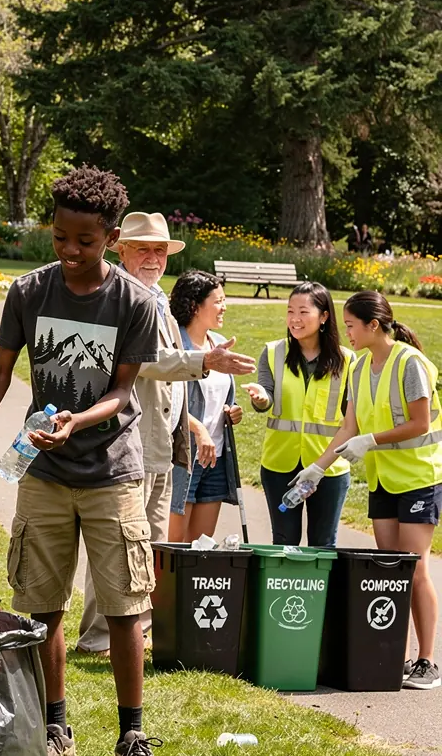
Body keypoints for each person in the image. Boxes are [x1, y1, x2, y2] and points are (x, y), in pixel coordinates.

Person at [0, 167, 173, 756]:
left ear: (111, 238)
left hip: (112, 471)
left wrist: (78, 420)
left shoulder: (133, 302)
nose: (71, 251)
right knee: (40, 608)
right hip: (41, 469)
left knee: (124, 607)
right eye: (60, 238)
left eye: (85, 241)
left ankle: (132, 738)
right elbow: (0, 372)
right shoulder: (29, 292)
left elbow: (122, 392)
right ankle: (54, 728)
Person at [77, 212, 255, 654]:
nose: (153, 258)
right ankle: (98, 635)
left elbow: (171, 381)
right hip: (124, 441)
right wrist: (203, 362)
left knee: (150, 543)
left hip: (160, 444)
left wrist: (187, 431)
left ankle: (137, 628)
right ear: (121, 249)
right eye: (143, 249)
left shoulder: (160, 301)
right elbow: (144, 360)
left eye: (160, 250)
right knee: (117, 541)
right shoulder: (116, 295)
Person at [297, 291, 441, 690]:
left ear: (373, 325)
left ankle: (427, 661)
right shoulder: (358, 366)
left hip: (419, 478)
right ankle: (398, 655)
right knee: (390, 571)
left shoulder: (410, 363)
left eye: (350, 326)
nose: (346, 333)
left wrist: (371, 440)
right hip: (383, 480)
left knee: (414, 569)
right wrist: (317, 468)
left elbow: (420, 423)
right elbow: (349, 427)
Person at [244, 282, 354, 546]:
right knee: (284, 542)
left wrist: (321, 465)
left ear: (324, 316)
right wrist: (261, 398)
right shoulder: (273, 352)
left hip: (329, 467)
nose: (295, 319)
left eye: (303, 312)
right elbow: (266, 398)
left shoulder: (348, 360)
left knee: (323, 544)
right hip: (280, 464)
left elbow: (352, 419)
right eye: (290, 311)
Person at [170, 271, 243, 541]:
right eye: (218, 301)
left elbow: (220, 397)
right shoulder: (175, 345)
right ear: (195, 306)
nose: (224, 307)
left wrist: (232, 411)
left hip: (216, 459)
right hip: (183, 458)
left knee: (201, 548)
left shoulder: (219, 343)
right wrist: (199, 430)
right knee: (172, 547)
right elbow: (166, 400)